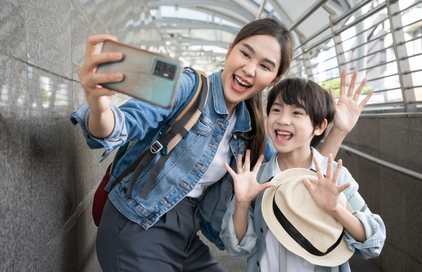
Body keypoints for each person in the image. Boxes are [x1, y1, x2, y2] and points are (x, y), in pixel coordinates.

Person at [71, 17, 371, 272]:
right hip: (137, 222)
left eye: (265, 66)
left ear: (272, 80)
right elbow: (122, 124)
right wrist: (99, 106)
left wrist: (339, 130)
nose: (250, 69)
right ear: (230, 51)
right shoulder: (186, 85)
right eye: (245, 54)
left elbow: (296, 173)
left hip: (188, 233)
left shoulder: (252, 129)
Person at [220, 78, 386, 272]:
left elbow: (374, 242)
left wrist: (336, 210)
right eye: (276, 110)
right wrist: (241, 204)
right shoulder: (257, 178)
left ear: (320, 127)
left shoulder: (335, 177)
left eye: (297, 112)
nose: (282, 119)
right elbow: (237, 248)